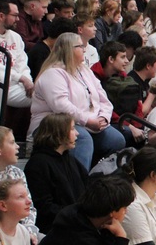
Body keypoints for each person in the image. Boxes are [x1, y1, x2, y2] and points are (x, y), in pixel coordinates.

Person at [28, 32, 124, 169]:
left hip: (88, 122)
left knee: (116, 139)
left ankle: (96, 175)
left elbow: (103, 99)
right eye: (80, 46)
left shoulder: (85, 71)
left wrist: (104, 117)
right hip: (52, 124)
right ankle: (79, 180)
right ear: (68, 49)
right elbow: (61, 106)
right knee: (82, 139)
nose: (84, 49)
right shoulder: (53, 73)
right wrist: (88, 121)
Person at [24, 112, 88, 233]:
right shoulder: (38, 164)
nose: (77, 133)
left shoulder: (69, 159)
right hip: (56, 229)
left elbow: (88, 186)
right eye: (73, 129)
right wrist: (78, 215)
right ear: (59, 133)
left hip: (75, 223)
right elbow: (44, 207)